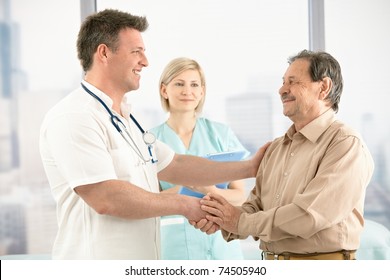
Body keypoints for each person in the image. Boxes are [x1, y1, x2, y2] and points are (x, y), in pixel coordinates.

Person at [39, 9, 268, 260]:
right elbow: (106, 197)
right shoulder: (75, 117)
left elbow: (177, 165)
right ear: (104, 53)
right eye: (136, 52)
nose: (145, 62)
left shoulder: (127, 121)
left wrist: (250, 168)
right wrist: (185, 205)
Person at [197, 50, 375, 260]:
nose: (282, 90)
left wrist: (238, 222)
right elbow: (255, 206)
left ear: (324, 87)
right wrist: (219, 216)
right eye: (283, 82)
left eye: (293, 82)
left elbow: (308, 216)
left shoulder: (345, 144)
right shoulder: (276, 148)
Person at [150, 57, 250, 259]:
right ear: (164, 90)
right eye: (179, 84)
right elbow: (149, 202)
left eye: (194, 84)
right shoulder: (150, 141)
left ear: (202, 91)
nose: (188, 91)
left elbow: (240, 195)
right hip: (174, 249)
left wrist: (211, 192)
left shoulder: (222, 134)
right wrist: (184, 191)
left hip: (222, 247)